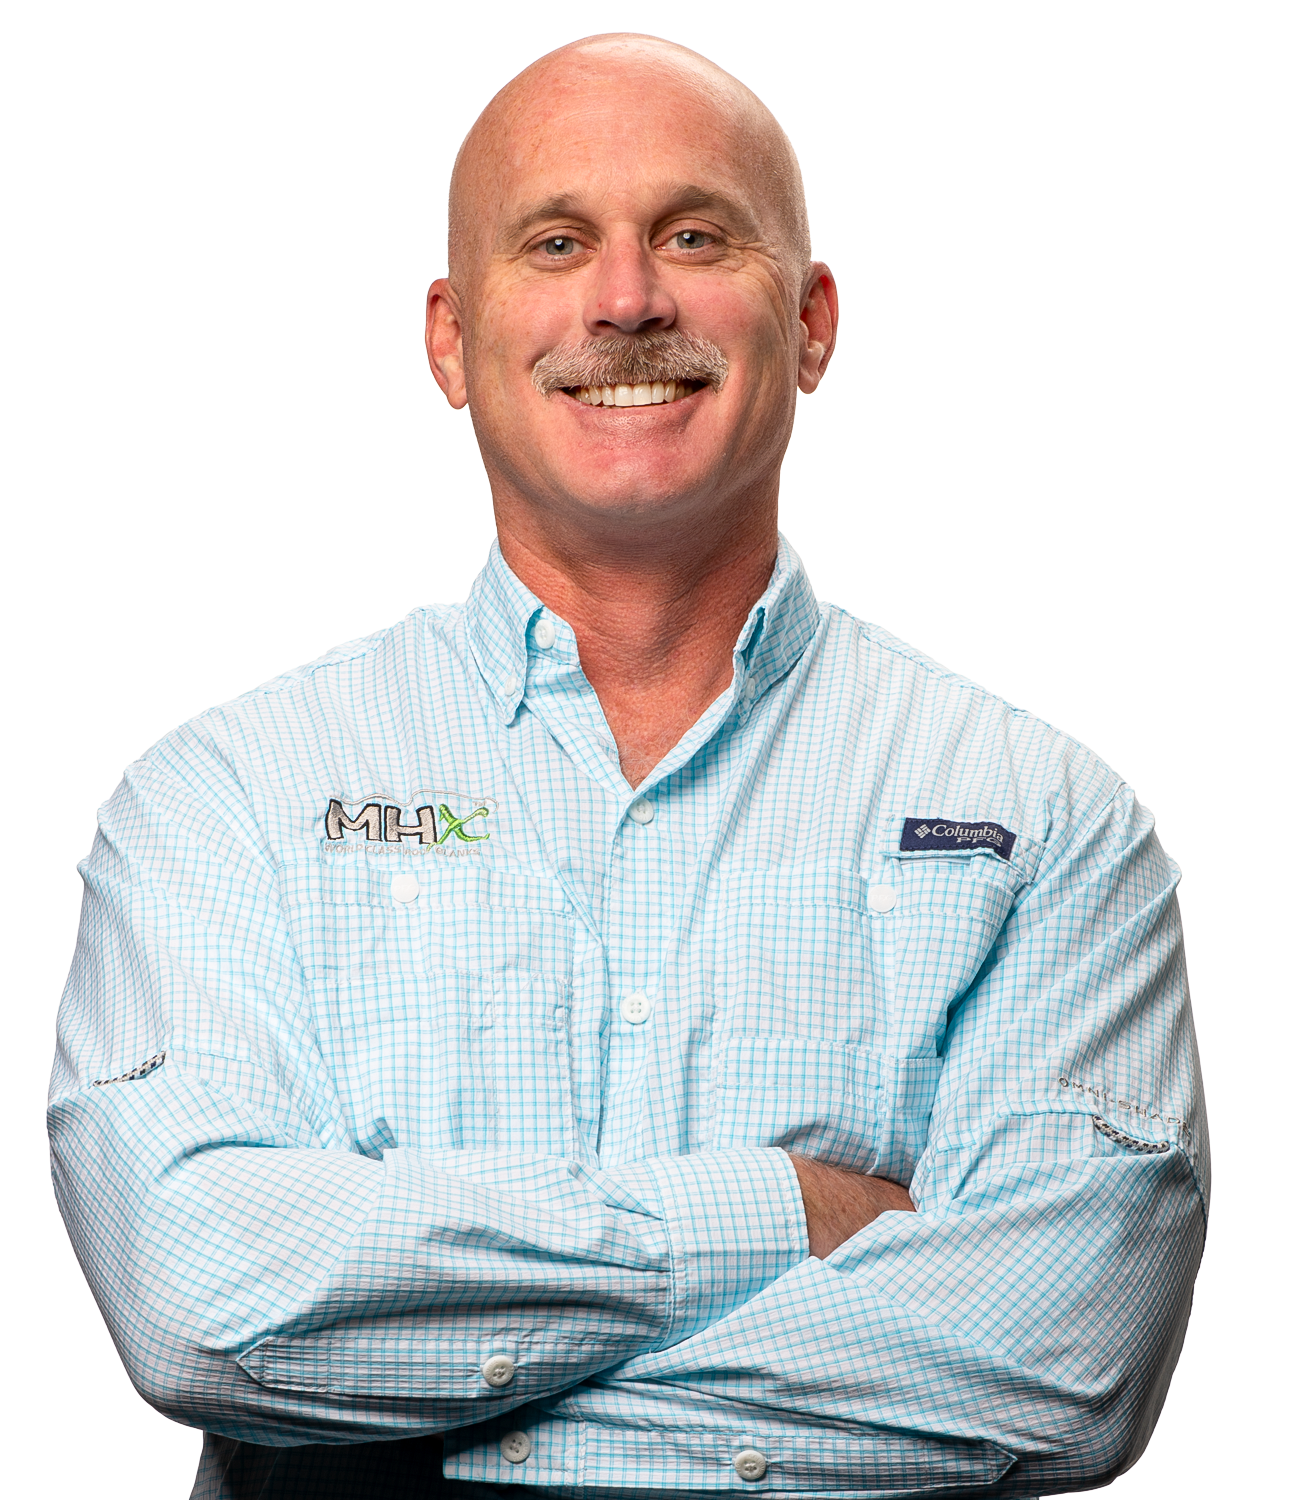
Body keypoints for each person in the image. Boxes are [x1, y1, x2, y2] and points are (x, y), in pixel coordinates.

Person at [49, 32, 1208, 1500]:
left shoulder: (1045, 826)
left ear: (812, 322)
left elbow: (1061, 1366)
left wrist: (439, 1422)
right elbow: (203, 1298)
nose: (626, 298)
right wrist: (773, 1217)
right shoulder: (226, 801)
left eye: (695, 236)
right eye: (555, 242)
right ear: (451, 340)